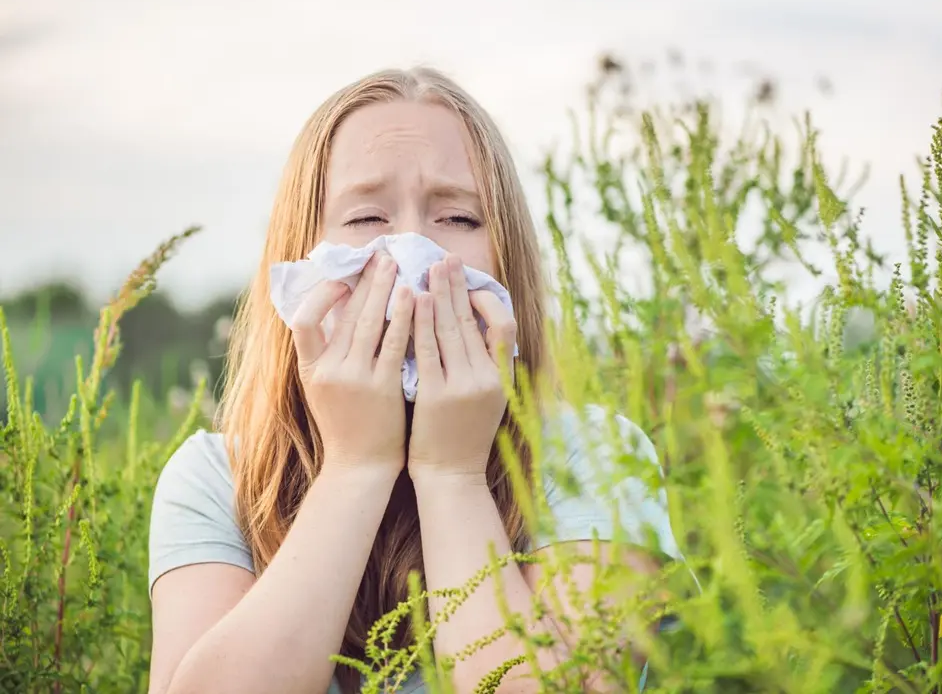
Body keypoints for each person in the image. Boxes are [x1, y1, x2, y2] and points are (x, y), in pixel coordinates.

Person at [147, 66, 682, 694]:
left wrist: (451, 475)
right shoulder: (218, 480)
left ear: (507, 256)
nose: (410, 247)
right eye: (367, 217)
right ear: (300, 257)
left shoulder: (595, 458)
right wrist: (354, 465)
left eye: (457, 218)